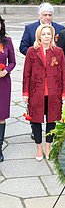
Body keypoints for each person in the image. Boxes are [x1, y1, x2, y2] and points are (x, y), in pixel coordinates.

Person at [22, 24, 65, 161]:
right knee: (35, 120)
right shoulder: (32, 51)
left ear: (52, 36)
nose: (46, 36)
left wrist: (64, 92)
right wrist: (25, 93)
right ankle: (38, 147)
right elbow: (26, 73)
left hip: (54, 92)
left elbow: (64, 73)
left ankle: (48, 146)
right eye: (44, 34)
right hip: (36, 91)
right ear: (39, 36)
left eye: (49, 34)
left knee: (51, 120)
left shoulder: (58, 51)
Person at [0, 16, 16, 162]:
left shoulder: (7, 42)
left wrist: (7, 70)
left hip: (3, 82)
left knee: (1, 115)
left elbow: (12, 61)